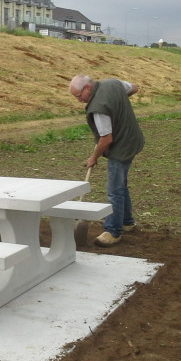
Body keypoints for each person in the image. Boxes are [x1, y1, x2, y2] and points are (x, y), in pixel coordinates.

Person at [69, 74, 145, 247]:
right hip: (134, 139)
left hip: (122, 147)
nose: (79, 100)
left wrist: (93, 158)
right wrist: (118, 105)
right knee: (121, 185)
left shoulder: (98, 108)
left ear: (87, 88)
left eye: (78, 96)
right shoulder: (114, 84)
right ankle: (127, 222)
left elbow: (106, 139)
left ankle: (113, 231)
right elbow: (134, 87)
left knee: (114, 189)